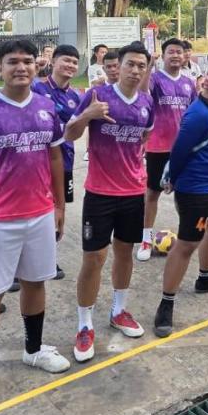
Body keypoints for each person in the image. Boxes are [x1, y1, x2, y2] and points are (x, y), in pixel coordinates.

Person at [0, 38, 70, 411]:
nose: (21, 67)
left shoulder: (46, 106)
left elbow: (55, 158)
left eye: (27, 61)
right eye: (12, 61)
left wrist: (58, 206)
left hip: (39, 214)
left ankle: (33, 349)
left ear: (37, 66)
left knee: (36, 283)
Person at [66, 41, 155, 361]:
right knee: (93, 259)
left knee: (125, 253)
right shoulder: (97, 96)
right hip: (100, 194)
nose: (135, 70)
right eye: (130, 64)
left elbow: (144, 136)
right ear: (118, 65)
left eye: (141, 65)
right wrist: (87, 115)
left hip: (132, 193)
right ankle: (84, 325)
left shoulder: (146, 102)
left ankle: (119, 311)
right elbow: (69, 133)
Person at [154, 62, 208, 337]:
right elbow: (179, 151)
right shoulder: (198, 114)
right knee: (187, 244)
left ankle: (205, 277)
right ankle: (166, 303)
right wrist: (172, 179)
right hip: (196, 191)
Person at [139, 38, 197, 261]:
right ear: (163, 56)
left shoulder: (189, 82)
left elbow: (194, 113)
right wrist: (148, 67)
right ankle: (145, 239)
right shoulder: (154, 78)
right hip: (157, 147)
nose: (175, 55)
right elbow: (143, 94)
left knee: (184, 194)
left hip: (183, 148)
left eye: (179, 52)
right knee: (152, 193)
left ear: (185, 56)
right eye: (171, 52)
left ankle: (186, 236)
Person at [31, 44, 82, 279]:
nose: (70, 65)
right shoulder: (36, 88)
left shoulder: (76, 96)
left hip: (65, 160)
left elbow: (77, 129)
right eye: (66, 60)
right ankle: (19, 265)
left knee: (58, 208)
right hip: (37, 161)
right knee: (33, 208)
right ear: (53, 62)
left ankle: (49, 258)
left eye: (74, 62)